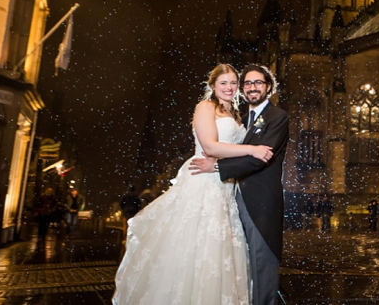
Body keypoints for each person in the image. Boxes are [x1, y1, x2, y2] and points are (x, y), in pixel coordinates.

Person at [114, 64, 273, 305]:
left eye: (233, 83)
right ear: (212, 86)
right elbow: (209, 147)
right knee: (199, 246)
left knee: (222, 251)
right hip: (205, 183)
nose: (229, 88)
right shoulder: (205, 107)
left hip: (225, 187)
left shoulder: (236, 115)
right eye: (223, 83)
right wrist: (252, 149)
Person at [190, 63, 289, 305]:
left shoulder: (278, 117)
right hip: (230, 196)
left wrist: (216, 167)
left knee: (261, 260)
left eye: (258, 83)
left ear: (268, 86)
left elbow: (258, 160)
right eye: (247, 83)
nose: (252, 87)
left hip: (261, 201)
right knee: (236, 261)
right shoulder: (241, 118)